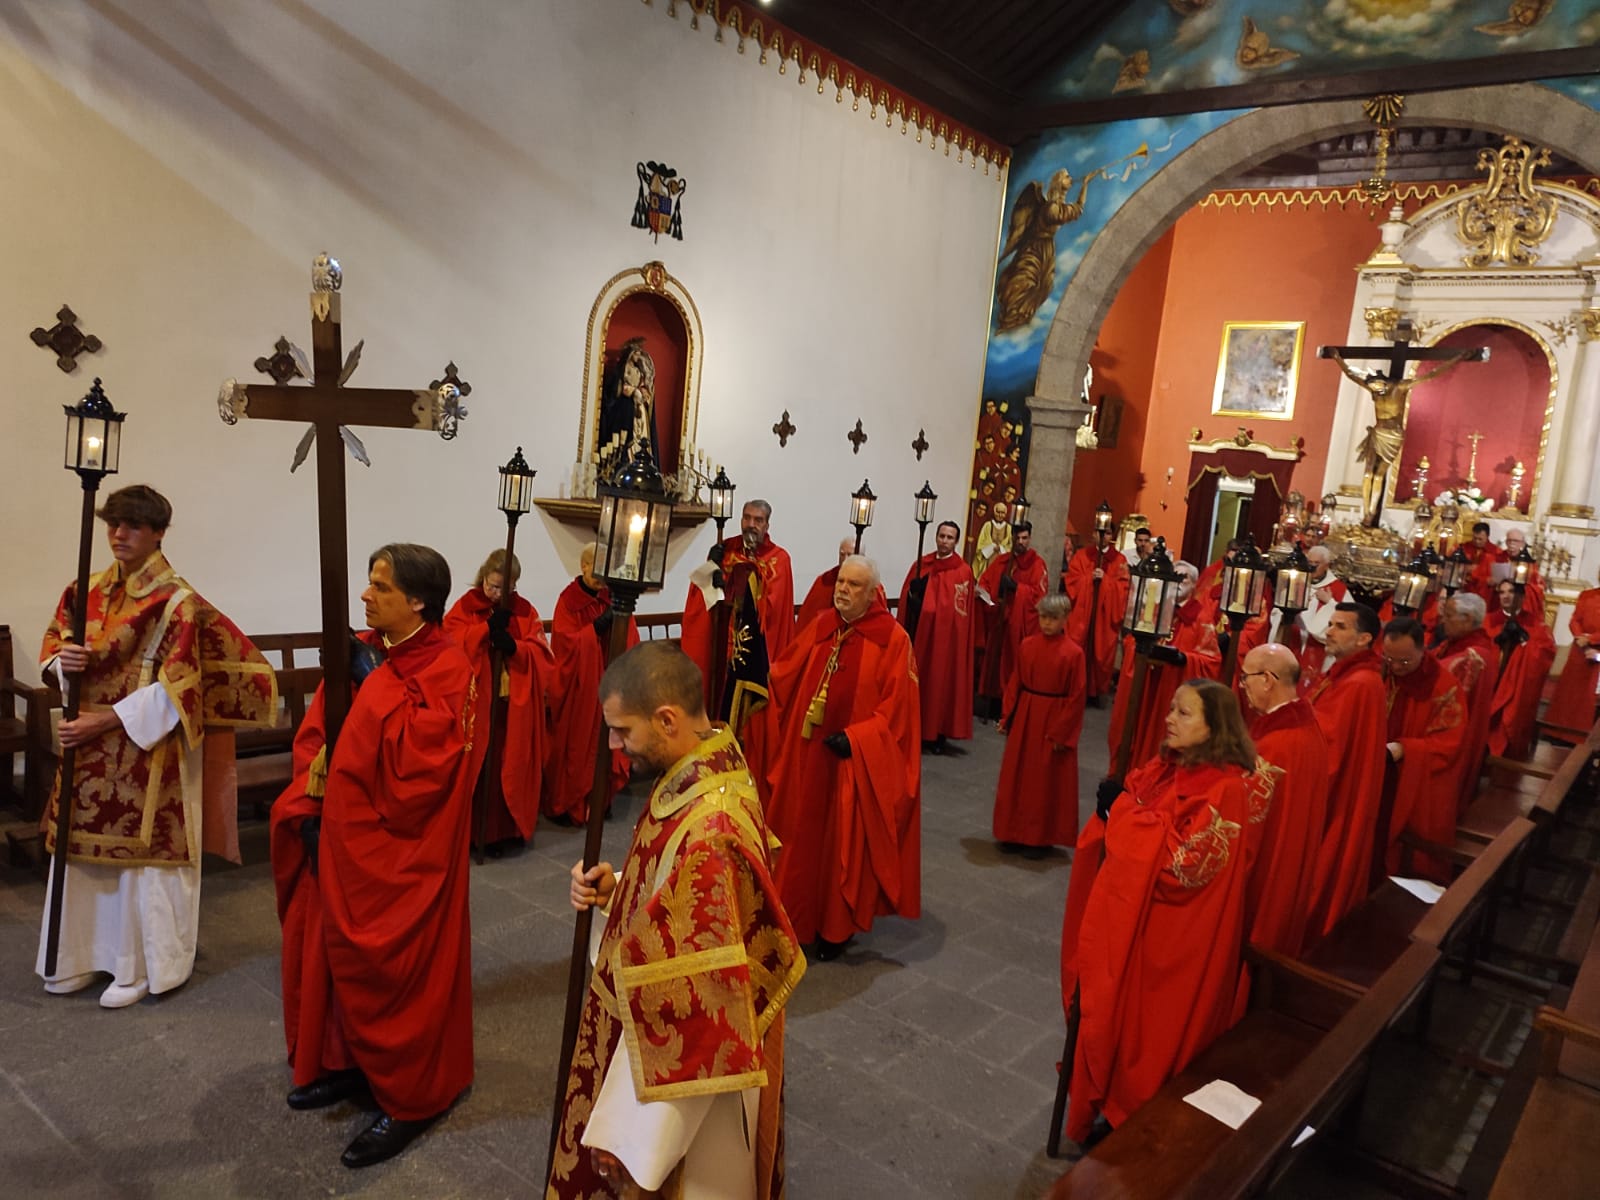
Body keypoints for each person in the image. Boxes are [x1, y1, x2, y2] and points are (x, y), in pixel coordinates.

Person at [553, 642, 804, 1199]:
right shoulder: (710, 760)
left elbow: (693, 1007)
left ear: (667, 719)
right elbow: (675, 902)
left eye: (623, 732)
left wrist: (636, 1144)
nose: (616, 748)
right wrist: (616, 895)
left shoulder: (709, 831)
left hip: (693, 1097)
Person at [272, 543, 476, 1168]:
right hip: (344, 838)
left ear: (418, 600)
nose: (366, 595)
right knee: (333, 954)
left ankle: (415, 1097)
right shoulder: (371, 655)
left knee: (400, 969)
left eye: (380, 586)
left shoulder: (450, 665)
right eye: (368, 583)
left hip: (406, 855)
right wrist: (311, 804)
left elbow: (423, 768)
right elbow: (321, 734)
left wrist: (374, 684)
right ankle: (354, 1065)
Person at [36, 484, 276, 1008]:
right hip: (86, 746)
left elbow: (180, 688)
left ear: (159, 533)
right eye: (113, 525)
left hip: (147, 749)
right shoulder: (83, 591)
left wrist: (99, 723)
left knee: (138, 867)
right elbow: (54, 643)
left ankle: (139, 966)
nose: (119, 535)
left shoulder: (177, 602)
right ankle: (76, 955)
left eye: (133, 526)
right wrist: (63, 663)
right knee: (79, 860)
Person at [1060, 679, 1266, 1145]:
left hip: (1172, 940)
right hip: (1135, 919)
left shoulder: (1227, 787)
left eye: (1184, 713)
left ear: (1215, 728)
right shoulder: (1171, 766)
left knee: (1144, 1033)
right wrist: (1124, 804)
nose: (1170, 719)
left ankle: (1132, 1117)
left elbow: (1186, 866)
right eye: (1172, 709)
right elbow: (1140, 799)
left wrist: (1123, 815)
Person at [766, 556, 920, 960]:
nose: (842, 590)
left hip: (851, 762)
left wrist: (857, 738)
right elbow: (784, 673)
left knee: (840, 842)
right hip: (809, 756)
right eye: (840, 582)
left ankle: (835, 928)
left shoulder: (893, 639)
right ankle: (796, 918)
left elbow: (899, 713)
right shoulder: (823, 625)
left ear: (872, 594)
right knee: (802, 836)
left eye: (853, 585)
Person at [680, 499, 795, 798]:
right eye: (747, 518)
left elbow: (771, 605)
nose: (751, 524)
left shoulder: (779, 559)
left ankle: (743, 774)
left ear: (768, 525)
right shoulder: (726, 549)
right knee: (713, 702)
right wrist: (710, 567)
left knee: (744, 722)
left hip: (751, 656)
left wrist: (737, 580)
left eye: (758, 520)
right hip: (719, 646)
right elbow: (702, 599)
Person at [442, 548, 553, 850]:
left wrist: (515, 647)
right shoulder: (467, 606)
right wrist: (484, 630)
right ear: (483, 577)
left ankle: (508, 831)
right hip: (478, 706)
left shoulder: (524, 611)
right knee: (481, 765)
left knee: (509, 761)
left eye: (506, 588)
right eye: (492, 585)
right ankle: (478, 833)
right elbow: (450, 643)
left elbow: (542, 654)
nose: (496, 593)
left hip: (510, 707)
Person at [1304, 603, 1389, 937]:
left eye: (1340, 626)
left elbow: (1327, 746)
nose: (1329, 631)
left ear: (1364, 638)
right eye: (1330, 624)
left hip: (1333, 797)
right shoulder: (1344, 673)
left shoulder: (1358, 684)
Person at [1238, 643, 1328, 956]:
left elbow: (1247, 826)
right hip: (1289, 865)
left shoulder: (1275, 745)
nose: (1242, 685)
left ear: (1267, 679)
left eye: (1245, 677)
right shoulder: (1306, 726)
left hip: (1265, 872)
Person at [543, 543, 639, 825]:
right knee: (576, 747)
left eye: (604, 571)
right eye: (595, 569)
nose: (600, 577)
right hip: (579, 691)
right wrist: (594, 630)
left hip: (608, 687)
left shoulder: (613, 598)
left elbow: (629, 638)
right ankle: (570, 804)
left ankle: (600, 798)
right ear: (583, 566)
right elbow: (564, 645)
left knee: (606, 745)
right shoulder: (569, 601)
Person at [1106, 560, 1221, 774]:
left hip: (1171, 690)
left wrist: (1184, 659)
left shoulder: (1200, 617)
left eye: (1184, 577)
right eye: (1175, 575)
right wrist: (1140, 647)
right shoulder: (1155, 610)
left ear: (1195, 584)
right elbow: (1132, 639)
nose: (1178, 581)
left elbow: (1211, 661)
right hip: (1146, 687)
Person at [993, 594, 1085, 856]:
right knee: (1018, 775)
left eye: (1053, 618)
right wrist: (1007, 715)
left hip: (1052, 720)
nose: (1046, 623)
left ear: (1065, 619)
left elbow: (1076, 697)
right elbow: (1016, 682)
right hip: (1026, 715)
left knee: (1044, 781)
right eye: (1043, 617)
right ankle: (1011, 831)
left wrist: (1062, 733)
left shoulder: (1073, 653)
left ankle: (1039, 838)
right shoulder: (1028, 645)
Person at [1381, 617, 1469, 883]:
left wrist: (1405, 748)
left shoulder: (1445, 687)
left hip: (1415, 779)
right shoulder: (1382, 673)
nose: (1396, 667)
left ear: (1423, 649)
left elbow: (1448, 744)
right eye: (1389, 659)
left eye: (1405, 661)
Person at [899, 520, 977, 753]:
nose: (944, 541)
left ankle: (937, 734)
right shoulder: (922, 564)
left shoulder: (962, 571)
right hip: (919, 635)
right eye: (941, 536)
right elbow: (907, 595)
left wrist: (928, 606)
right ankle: (913, 729)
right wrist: (912, 600)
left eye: (949, 537)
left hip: (944, 640)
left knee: (939, 683)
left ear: (956, 541)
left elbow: (957, 611)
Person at [1433, 591, 1500, 812]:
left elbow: (1438, 677)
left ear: (1468, 620)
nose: (1443, 620)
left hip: (1454, 739)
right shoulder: (1457, 644)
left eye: (1449, 615)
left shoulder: (1474, 654)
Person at [977, 520, 1048, 705]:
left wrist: (1017, 588)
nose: (1021, 542)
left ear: (1030, 538)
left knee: (1013, 661)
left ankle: (1008, 701)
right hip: (999, 620)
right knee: (994, 658)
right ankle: (991, 698)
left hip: (1019, 624)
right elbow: (985, 580)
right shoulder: (1002, 561)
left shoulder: (1037, 565)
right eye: (1018, 537)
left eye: (1025, 538)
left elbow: (1039, 596)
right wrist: (985, 593)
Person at [1485, 579, 1556, 760]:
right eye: (1502, 592)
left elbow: (1545, 653)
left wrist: (1524, 643)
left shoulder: (1535, 624)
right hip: (1491, 684)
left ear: (1521, 596)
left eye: (1511, 592)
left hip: (1515, 686)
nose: (1506, 596)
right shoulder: (1489, 620)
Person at [1063, 524, 1130, 703]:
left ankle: (1094, 692)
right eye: (1099, 532)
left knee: (1100, 653)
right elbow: (1072, 581)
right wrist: (1088, 579)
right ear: (1093, 533)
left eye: (1107, 533)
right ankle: (1073, 687)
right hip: (1082, 614)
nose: (1103, 537)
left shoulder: (1119, 560)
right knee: (1077, 647)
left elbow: (1123, 590)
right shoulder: (1082, 555)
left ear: (1112, 536)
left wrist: (1106, 581)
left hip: (1104, 617)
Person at [1281, 545, 1347, 677]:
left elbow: (1348, 618)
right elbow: (1278, 611)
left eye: (1316, 563)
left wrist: (1330, 602)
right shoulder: (1297, 581)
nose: (1311, 567)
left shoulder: (1339, 589)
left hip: (1319, 649)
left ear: (1327, 565)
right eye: (1309, 562)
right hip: (1293, 642)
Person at [1546, 577, 1600, 737]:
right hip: (1580, 649)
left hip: (1596, 651)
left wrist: (1591, 639)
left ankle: (1579, 735)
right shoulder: (1587, 595)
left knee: (1587, 698)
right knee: (1568, 692)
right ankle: (1557, 731)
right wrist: (1579, 637)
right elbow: (1575, 620)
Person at [798, 537, 856, 633]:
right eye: (842, 554)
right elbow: (808, 618)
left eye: (849, 555)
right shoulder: (825, 580)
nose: (845, 559)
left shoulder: (870, 584)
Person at [1461, 521, 1508, 600]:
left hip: (1485, 590)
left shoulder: (1497, 552)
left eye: (1480, 539)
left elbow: (1500, 576)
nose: (1477, 541)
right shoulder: (1463, 547)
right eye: (1475, 538)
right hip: (1463, 586)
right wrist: (1463, 568)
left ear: (1487, 536)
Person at [972, 500, 1012, 571]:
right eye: (998, 512)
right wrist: (991, 547)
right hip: (987, 560)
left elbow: (1011, 545)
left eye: (1002, 513)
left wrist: (1001, 548)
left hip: (1001, 561)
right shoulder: (987, 525)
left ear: (1005, 514)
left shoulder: (1008, 528)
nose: (1000, 515)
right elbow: (980, 543)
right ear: (994, 512)